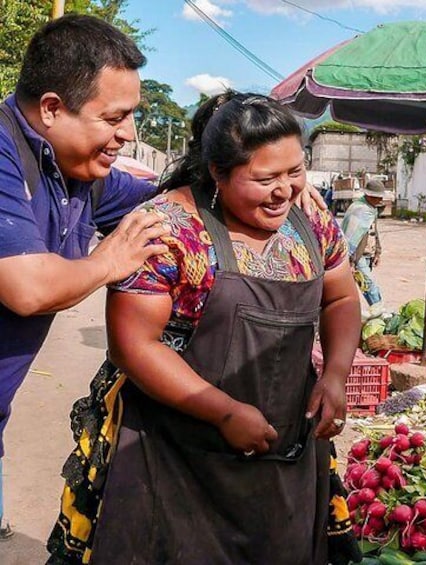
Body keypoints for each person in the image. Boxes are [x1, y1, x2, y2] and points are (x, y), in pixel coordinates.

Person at [0, 16, 325, 540]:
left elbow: (171, 200)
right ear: (52, 109)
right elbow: (26, 289)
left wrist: (273, 179)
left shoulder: (81, 174)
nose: (128, 134)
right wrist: (109, 260)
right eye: (115, 117)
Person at [47, 92, 361, 564]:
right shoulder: (168, 229)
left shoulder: (310, 217)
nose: (286, 191)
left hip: (284, 457)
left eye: (295, 172)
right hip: (174, 456)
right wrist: (223, 412)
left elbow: (340, 297)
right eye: (265, 178)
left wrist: (335, 374)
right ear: (217, 171)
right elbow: (134, 347)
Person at [342, 179, 385, 315]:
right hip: (357, 256)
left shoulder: (371, 210)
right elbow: (352, 238)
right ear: (369, 196)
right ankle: (380, 314)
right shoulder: (359, 209)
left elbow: (373, 231)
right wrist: (351, 261)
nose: (381, 199)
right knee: (370, 287)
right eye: (378, 197)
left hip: (367, 254)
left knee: (360, 287)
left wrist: (377, 252)